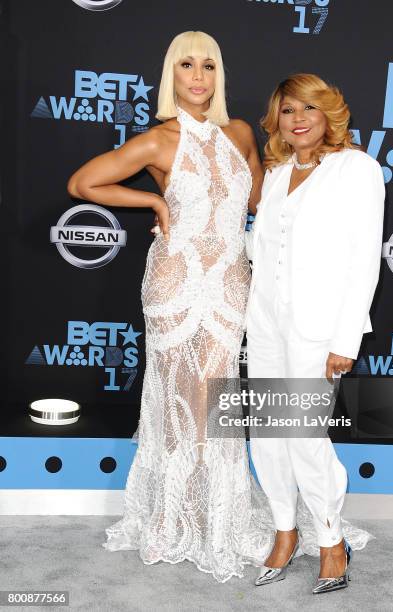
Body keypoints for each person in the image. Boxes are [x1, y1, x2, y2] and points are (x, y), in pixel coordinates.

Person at [67, 30, 267, 583]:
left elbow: (257, 202)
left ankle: (220, 521)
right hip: (175, 281)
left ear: (218, 74)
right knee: (181, 399)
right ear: (171, 74)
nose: (198, 77)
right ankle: (172, 519)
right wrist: (153, 198)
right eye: (186, 65)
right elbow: (84, 182)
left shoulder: (241, 132)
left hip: (230, 281)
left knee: (216, 396)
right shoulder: (158, 141)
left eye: (207, 66)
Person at [245, 73, 384, 593]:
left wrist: (345, 340)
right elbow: (263, 252)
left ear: (329, 113)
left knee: (304, 435)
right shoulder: (277, 175)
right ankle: (285, 531)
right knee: (268, 435)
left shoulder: (358, 169)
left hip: (318, 331)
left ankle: (330, 539)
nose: (298, 119)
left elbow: (364, 260)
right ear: (276, 120)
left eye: (309, 107)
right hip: (264, 326)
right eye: (287, 110)